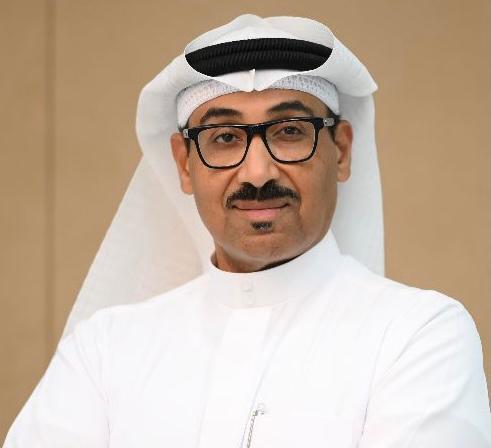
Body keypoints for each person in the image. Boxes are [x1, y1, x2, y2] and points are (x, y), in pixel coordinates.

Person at [3, 14, 491, 448]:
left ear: (341, 150)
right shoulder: (106, 349)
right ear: (185, 164)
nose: (257, 173)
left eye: (289, 131)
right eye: (224, 138)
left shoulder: (417, 335)